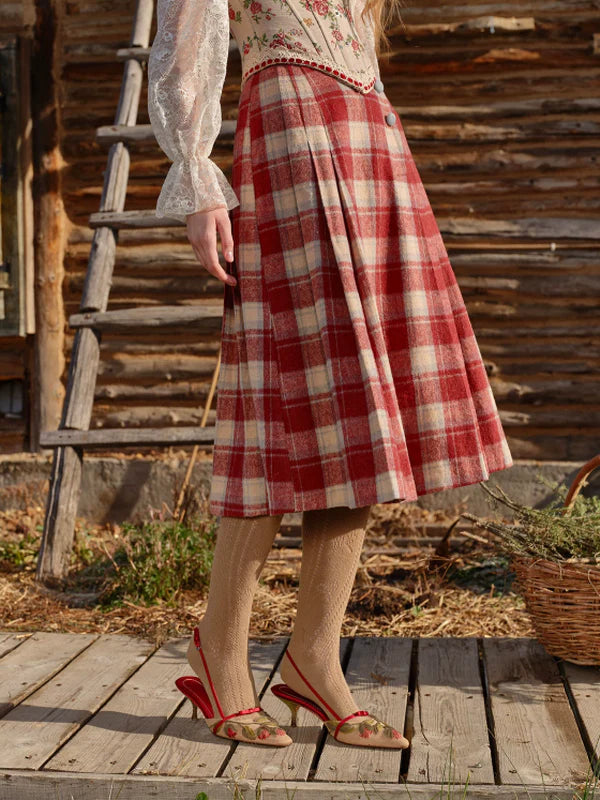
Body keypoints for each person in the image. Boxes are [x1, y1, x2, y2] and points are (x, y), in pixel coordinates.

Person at [147, 0, 514, 749]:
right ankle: (221, 645)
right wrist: (197, 178)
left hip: (370, 141)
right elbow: (184, 42)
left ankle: (315, 652)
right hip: (289, 136)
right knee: (282, 402)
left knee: (359, 411)